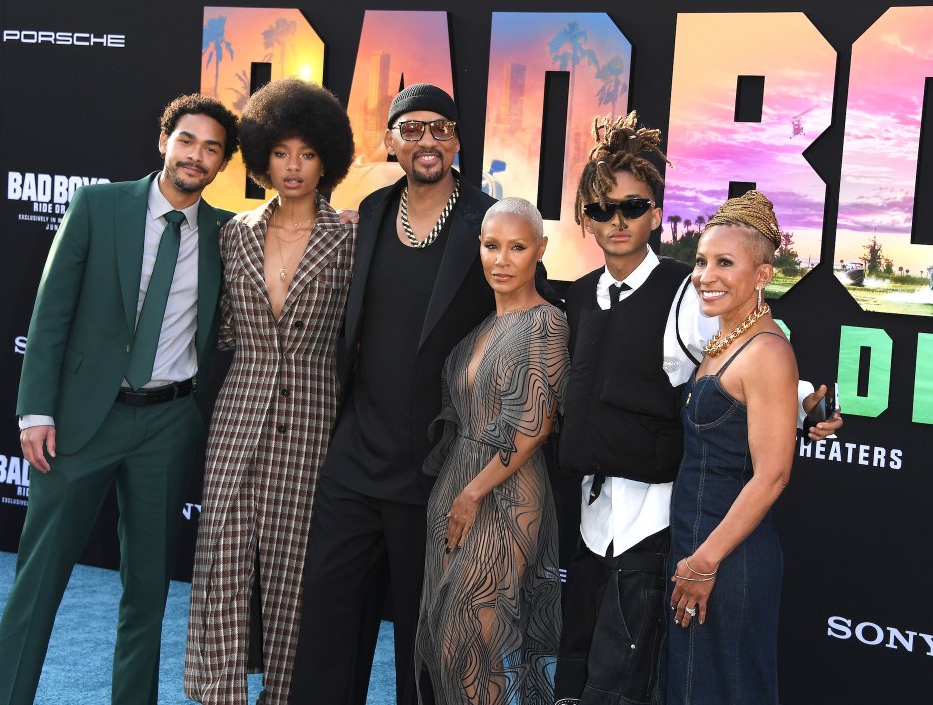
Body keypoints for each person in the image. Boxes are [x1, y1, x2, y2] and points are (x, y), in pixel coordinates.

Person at [553, 114, 840, 705]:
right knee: (582, 676)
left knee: (638, 687)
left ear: (655, 212)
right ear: (586, 217)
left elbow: (757, 361)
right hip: (589, 524)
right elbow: (728, 364)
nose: (616, 221)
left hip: (657, 530)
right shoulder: (580, 294)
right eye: (601, 209)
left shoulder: (686, 292)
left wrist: (804, 404)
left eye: (631, 207)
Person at [0, 94, 239, 705]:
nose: (195, 156)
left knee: (147, 592)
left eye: (211, 149)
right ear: (163, 142)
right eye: (186, 140)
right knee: (37, 582)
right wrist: (36, 410)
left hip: (169, 423)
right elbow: (51, 314)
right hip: (79, 422)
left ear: (223, 163)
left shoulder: (229, 234)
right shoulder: (98, 205)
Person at [289, 84, 497, 705]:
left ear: (457, 140)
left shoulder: (487, 222)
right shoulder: (373, 211)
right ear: (391, 141)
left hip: (435, 468)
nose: (426, 141)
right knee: (327, 623)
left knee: (424, 643)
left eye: (439, 129)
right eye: (411, 129)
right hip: (355, 457)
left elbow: (519, 325)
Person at [184, 78, 355, 705]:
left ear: (327, 160)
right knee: (220, 565)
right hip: (238, 416)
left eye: (307, 154)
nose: (293, 167)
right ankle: (217, 694)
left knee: (293, 579)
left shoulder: (350, 240)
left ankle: (284, 696)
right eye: (281, 153)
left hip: (313, 421)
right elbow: (223, 326)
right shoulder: (235, 234)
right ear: (261, 157)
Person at [414, 198, 569, 704]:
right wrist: (457, 492)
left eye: (517, 247)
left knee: (471, 637)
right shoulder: (483, 326)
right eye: (491, 246)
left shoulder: (546, 323)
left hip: (505, 495)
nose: (501, 260)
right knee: (449, 642)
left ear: (540, 251)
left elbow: (535, 425)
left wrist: (473, 493)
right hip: (458, 487)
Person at [665, 190, 797, 705]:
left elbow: (772, 476)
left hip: (727, 560)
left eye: (724, 263)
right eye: (700, 261)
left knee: (726, 689)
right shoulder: (726, 342)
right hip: (697, 549)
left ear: (762, 275)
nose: (705, 275)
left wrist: (705, 562)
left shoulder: (766, 351)